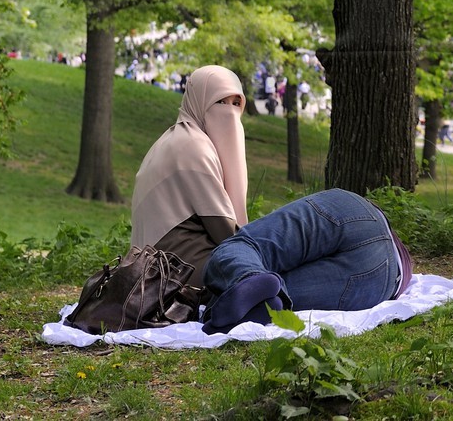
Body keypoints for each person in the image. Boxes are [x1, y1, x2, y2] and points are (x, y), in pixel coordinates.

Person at [201, 188, 412, 333]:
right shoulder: (405, 265)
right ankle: (254, 299)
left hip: (351, 212)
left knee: (243, 246)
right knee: (278, 293)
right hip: (384, 275)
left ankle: (244, 279)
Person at [130, 65, 249, 288]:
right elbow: (226, 233)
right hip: (176, 272)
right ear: (198, 101)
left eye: (236, 103)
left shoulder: (176, 138)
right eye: (220, 102)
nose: (230, 112)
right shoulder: (193, 147)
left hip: (164, 267)